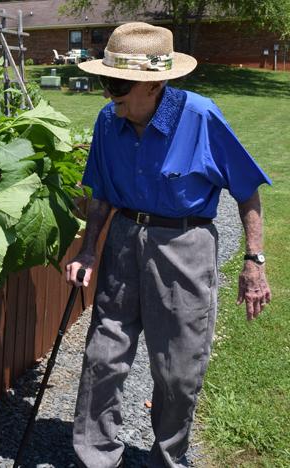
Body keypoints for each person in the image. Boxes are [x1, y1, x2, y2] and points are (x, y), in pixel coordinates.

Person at [65, 22, 272, 468]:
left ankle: (168, 458)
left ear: (154, 84)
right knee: (103, 354)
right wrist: (87, 249)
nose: (109, 94)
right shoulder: (109, 120)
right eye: (106, 80)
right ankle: (95, 457)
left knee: (178, 369)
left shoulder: (199, 116)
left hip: (184, 244)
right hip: (123, 241)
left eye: (118, 84)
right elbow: (100, 192)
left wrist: (254, 260)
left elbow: (248, 188)